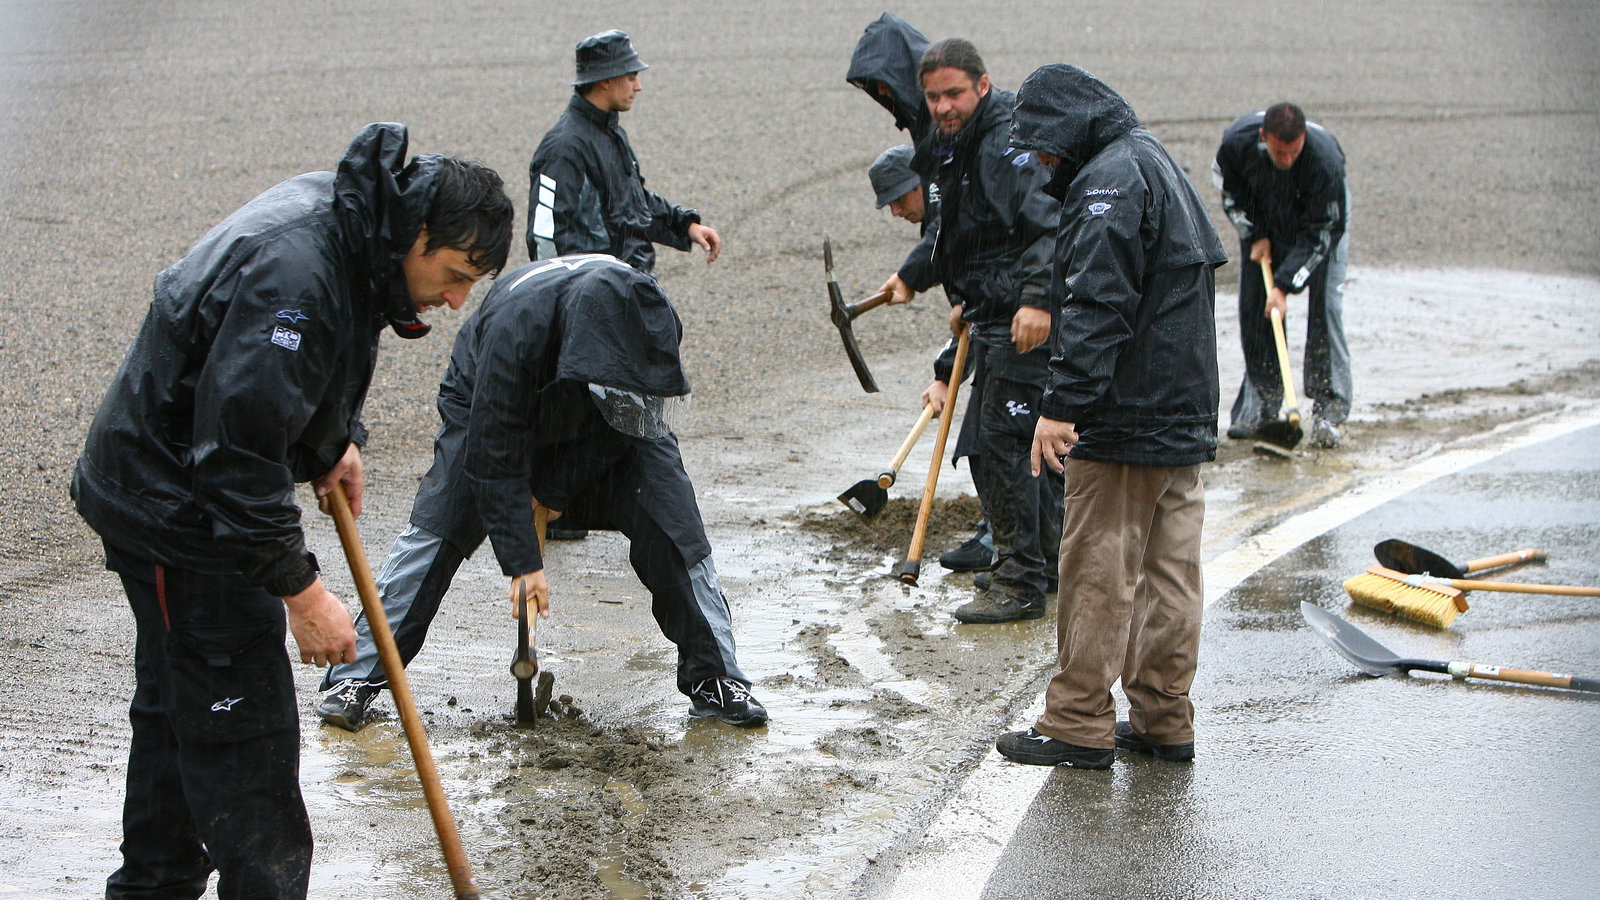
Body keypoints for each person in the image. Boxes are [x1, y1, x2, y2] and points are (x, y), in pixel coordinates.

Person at [71, 123, 514, 897]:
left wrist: (328, 441)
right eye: (453, 274)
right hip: (179, 508)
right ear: (416, 235)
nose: (455, 300)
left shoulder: (354, 231)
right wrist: (301, 591)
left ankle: (153, 883)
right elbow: (237, 450)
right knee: (246, 735)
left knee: (179, 704)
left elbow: (288, 373)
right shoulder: (300, 273)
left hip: (171, 484)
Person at [316, 254, 768, 731]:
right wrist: (523, 564)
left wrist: (553, 490)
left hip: (608, 416)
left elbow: (628, 423)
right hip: (490, 408)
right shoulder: (516, 331)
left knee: (674, 528)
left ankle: (716, 678)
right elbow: (493, 454)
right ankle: (356, 676)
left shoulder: (648, 313)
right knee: (439, 526)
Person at [994, 64, 1226, 769]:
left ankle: (1077, 721)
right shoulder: (1154, 161)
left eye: (1040, 144)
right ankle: (1162, 717)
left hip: (1124, 417)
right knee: (1170, 573)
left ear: (1068, 127)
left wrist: (1063, 406)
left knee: (1097, 567)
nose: (1037, 160)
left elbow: (1098, 303)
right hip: (1182, 414)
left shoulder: (1106, 181)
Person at [876, 38, 1062, 624]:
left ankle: (1020, 579)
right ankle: (1045, 562)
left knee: (999, 448)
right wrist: (918, 276)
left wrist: (1037, 300)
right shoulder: (949, 145)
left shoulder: (1008, 141)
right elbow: (954, 230)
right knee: (1022, 446)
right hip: (992, 310)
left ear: (982, 85)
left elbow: (1043, 224)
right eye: (932, 96)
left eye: (954, 93)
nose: (942, 105)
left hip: (1023, 318)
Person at [851, 18, 995, 575]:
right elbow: (948, 240)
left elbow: (966, 236)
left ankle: (1015, 547)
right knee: (990, 437)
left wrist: (920, 275)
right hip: (984, 306)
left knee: (993, 438)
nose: (895, 211)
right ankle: (1009, 540)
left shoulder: (960, 143)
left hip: (1010, 307)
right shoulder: (936, 139)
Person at [527, 29, 722, 274]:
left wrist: (687, 227)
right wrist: (568, 297)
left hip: (630, 287)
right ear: (605, 79)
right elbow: (546, 239)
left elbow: (632, 203)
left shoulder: (610, 134)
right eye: (630, 77)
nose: (638, 86)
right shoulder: (563, 148)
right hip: (596, 295)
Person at [1213, 102, 1351, 448]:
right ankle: (1262, 404)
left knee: (1326, 308)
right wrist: (1255, 232)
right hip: (1264, 213)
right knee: (1255, 306)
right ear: (1264, 138)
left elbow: (1320, 234)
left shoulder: (1325, 164)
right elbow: (1231, 193)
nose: (1286, 159)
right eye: (1278, 152)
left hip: (1321, 223)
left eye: (1293, 152)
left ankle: (1328, 412)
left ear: (1303, 140)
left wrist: (1286, 286)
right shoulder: (1236, 144)